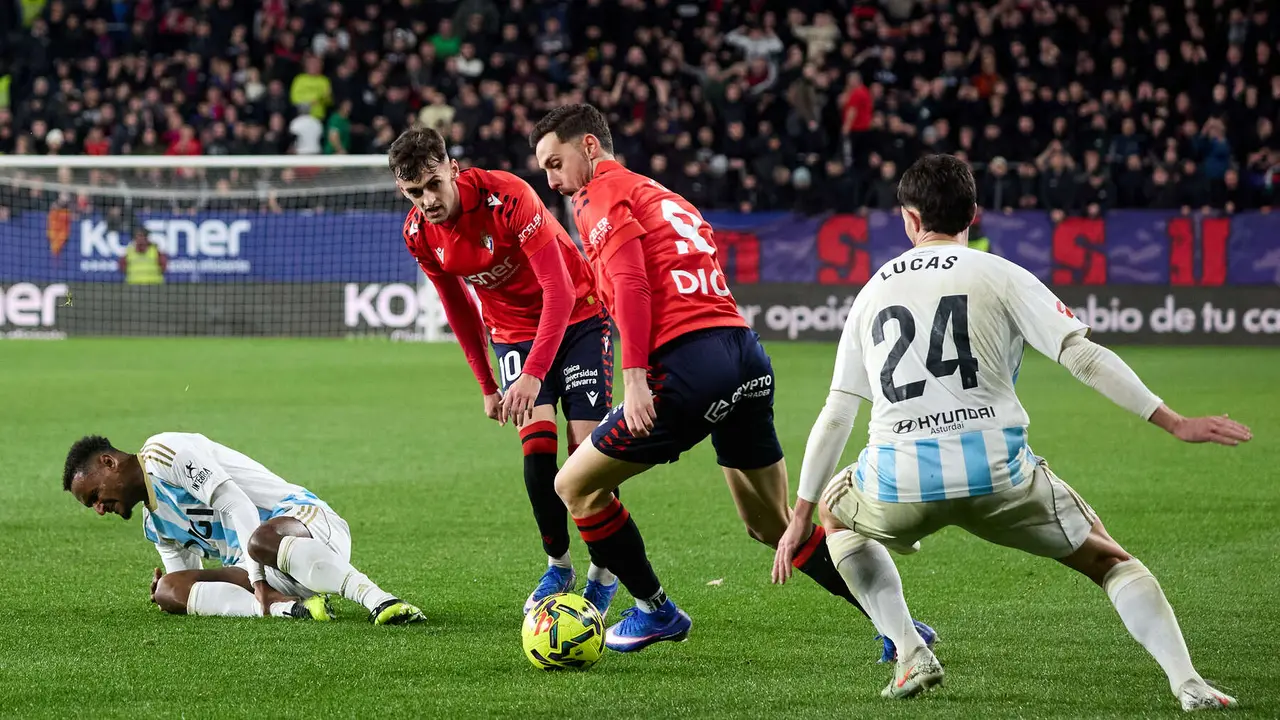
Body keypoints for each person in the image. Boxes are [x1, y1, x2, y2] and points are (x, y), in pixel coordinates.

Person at [799, 154, 1247, 709]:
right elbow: (1081, 356)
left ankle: (910, 650)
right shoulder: (1000, 273)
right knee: (1110, 560)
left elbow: (840, 410)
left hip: (898, 483)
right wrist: (1173, 420)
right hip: (998, 475)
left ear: (910, 219)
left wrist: (800, 514)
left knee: (835, 514)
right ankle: (1188, 682)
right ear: (974, 214)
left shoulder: (872, 291)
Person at [529, 103, 936, 656]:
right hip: (745, 356)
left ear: (591, 147)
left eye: (556, 163)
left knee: (573, 487)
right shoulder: (664, 195)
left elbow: (631, 283)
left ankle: (656, 611)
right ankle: (900, 628)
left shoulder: (598, 194)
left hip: (687, 366)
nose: (552, 180)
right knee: (771, 524)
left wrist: (634, 377)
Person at [387, 127, 620, 616]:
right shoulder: (418, 233)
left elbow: (557, 290)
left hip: (578, 316)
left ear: (452, 168)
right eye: (414, 192)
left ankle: (604, 569)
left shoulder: (508, 195)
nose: (427, 200)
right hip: (511, 334)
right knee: (537, 458)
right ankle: (559, 565)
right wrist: (488, 385)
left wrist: (533, 374)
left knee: (586, 454)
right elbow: (460, 310)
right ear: (401, 190)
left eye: (433, 184)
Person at [62, 433, 425, 625]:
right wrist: (175, 587)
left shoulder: (162, 451)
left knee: (259, 540)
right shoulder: (155, 525)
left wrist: (258, 585)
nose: (99, 508)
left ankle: (381, 601)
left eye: (94, 494)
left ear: (109, 462)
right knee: (170, 590)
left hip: (307, 527)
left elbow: (240, 506)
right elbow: (194, 581)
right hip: (268, 573)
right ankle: (292, 610)